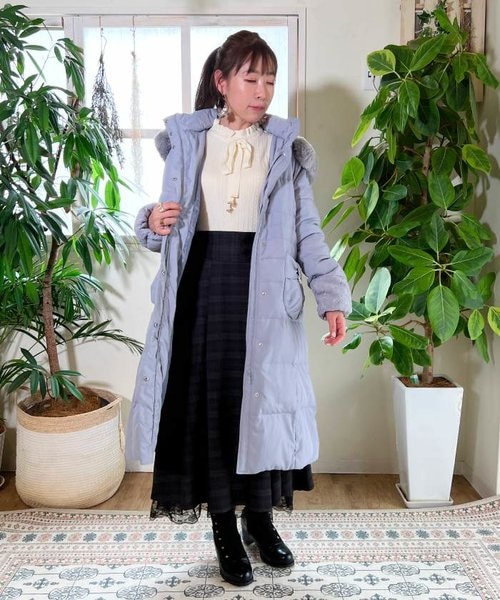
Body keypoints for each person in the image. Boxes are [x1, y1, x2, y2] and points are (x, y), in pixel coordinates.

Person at [126, 30, 352, 586]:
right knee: (216, 409)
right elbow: (165, 222)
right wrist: (150, 220)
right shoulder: (187, 141)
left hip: (267, 291)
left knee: (263, 407)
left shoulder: (285, 149)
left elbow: (307, 230)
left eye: (270, 80)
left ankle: (260, 519)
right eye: (251, 78)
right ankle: (224, 525)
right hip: (203, 290)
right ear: (222, 82)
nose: (263, 91)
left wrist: (331, 298)